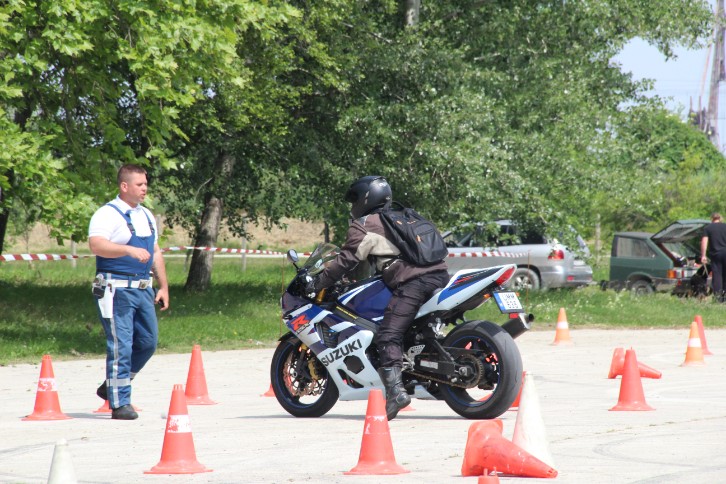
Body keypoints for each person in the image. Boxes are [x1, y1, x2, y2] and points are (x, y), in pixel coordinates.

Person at [313, 176, 449, 420]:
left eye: (354, 200)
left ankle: (395, 392)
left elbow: (347, 259)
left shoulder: (365, 225)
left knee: (388, 335)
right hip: (439, 276)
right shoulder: (403, 215)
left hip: (413, 282)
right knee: (413, 329)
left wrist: (320, 281)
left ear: (365, 199)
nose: (352, 205)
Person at [88, 164, 169, 420]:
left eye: (145, 184)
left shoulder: (146, 215)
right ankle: (120, 403)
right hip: (116, 290)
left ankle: (111, 386)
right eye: (139, 184)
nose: (145, 188)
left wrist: (164, 286)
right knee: (121, 345)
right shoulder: (107, 214)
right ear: (124, 186)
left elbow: (155, 251)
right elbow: (96, 245)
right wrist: (127, 250)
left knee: (147, 343)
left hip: (143, 289)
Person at [701, 212, 726, 302]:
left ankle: (718, 299)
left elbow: (704, 242)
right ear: (720, 218)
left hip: (716, 255)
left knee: (717, 276)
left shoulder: (708, 228)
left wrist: (703, 255)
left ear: (712, 219)